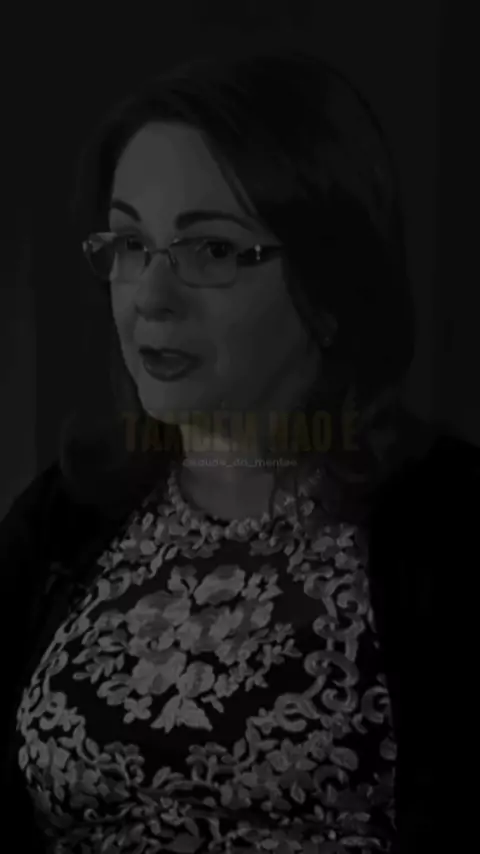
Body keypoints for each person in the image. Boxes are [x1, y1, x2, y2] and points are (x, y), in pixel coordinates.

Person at [1, 42, 476, 854]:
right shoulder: (64, 515)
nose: (150, 297)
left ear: (330, 288)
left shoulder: (450, 520)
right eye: (129, 245)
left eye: (213, 250)